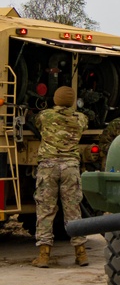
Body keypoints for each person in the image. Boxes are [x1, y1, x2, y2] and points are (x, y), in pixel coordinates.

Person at [31, 85, 90, 268]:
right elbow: (87, 122)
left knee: (46, 210)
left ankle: (44, 255)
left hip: (48, 167)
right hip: (70, 167)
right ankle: (81, 254)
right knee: (73, 209)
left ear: (55, 99)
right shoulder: (81, 119)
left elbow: (35, 122)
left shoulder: (45, 116)